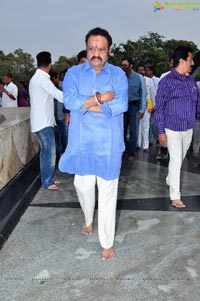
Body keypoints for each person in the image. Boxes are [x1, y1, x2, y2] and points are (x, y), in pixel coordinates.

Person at [59, 27, 128, 261]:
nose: (95, 53)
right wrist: (101, 98)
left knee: (108, 194)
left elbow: (121, 105)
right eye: (91, 48)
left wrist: (86, 104)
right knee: (83, 186)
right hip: (82, 143)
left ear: (108, 51)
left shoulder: (118, 74)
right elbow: (69, 100)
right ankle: (88, 217)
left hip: (108, 145)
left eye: (101, 48)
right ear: (86, 49)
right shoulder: (73, 74)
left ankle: (106, 241)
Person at [155, 46, 200, 208]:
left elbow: (197, 103)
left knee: (179, 158)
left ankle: (169, 178)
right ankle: (175, 196)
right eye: (190, 60)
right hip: (171, 128)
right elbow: (159, 108)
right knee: (175, 159)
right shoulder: (166, 82)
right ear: (181, 61)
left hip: (188, 127)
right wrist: (161, 132)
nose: (193, 63)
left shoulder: (191, 80)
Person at [29, 51, 63, 190]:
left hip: (42, 122)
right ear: (49, 65)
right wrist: (78, 100)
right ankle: (47, 182)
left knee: (46, 152)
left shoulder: (36, 78)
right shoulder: (42, 79)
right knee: (49, 153)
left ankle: (47, 178)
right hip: (43, 123)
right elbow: (58, 95)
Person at [121, 57, 146, 160]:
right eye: (122, 65)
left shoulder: (139, 77)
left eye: (125, 65)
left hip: (134, 106)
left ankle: (131, 152)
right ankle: (123, 150)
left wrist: (142, 109)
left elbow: (143, 94)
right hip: (122, 107)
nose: (123, 67)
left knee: (133, 131)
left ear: (131, 65)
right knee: (121, 130)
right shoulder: (120, 77)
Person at [136, 64, 156, 152]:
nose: (141, 71)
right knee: (138, 126)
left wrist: (154, 106)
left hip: (147, 106)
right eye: (139, 70)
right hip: (136, 106)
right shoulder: (135, 80)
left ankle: (145, 146)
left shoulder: (149, 81)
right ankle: (138, 144)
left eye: (142, 69)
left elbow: (153, 94)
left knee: (145, 126)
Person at [50, 71, 69, 162]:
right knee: (56, 139)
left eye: (53, 80)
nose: (52, 82)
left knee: (66, 138)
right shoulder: (50, 89)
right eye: (50, 80)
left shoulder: (65, 87)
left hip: (64, 118)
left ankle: (68, 158)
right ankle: (59, 157)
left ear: (57, 78)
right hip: (54, 119)